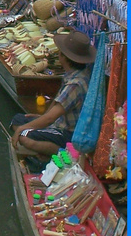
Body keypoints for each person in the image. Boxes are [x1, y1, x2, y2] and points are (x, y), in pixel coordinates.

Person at [10, 30, 96, 164]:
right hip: (58, 123)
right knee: (17, 120)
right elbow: (55, 104)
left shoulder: (75, 84)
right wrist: (40, 117)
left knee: (24, 136)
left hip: (67, 132)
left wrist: (22, 129)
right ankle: (44, 149)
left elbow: (51, 117)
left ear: (64, 57)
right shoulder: (75, 74)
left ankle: (60, 152)